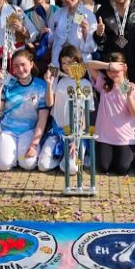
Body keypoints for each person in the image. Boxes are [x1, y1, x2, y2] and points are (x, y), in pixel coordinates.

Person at [38, 45, 95, 174]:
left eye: (70, 62)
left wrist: (76, 140)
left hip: (76, 133)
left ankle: (75, 156)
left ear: (78, 62)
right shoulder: (59, 80)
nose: (66, 67)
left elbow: (85, 116)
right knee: (42, 165)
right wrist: (48, 84)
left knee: (71, 169)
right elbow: (49, 103)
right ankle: (61, 157)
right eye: (63, 63)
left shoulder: (86, 84)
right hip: (57, 132)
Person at [0, 49, 49, 171]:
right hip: (7, 130)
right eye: (16, 66)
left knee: (28, 164)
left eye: (23, 65)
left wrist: (34, 145)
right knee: (3, 165)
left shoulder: (41, 86)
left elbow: (42, 120)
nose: (20, 69)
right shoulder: (8, 83)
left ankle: (18, 156)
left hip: (28, 131)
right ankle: (9, 155)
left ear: (31, 64)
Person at [86, 53, 135, 175]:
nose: (112, 73)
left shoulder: (131, 87)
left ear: (124, 68)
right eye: (110, 71)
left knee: (121, 169)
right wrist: (109, 65)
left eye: (116, 71)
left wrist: (128, 96)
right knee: (103, 168)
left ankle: (129, 153)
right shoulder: (104, 84)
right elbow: (89, 65)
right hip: (104, 138)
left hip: (124, 139)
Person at [49, 0, 97, 67]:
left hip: (78, 59)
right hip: (58, 58)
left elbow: (92, 46)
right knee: (57, 79)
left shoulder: (89, 15)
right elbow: (51, 33)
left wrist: (86, 33)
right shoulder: (58, 13)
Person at [24, 0, 59, 73]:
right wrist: (35, 50)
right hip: (36, 55)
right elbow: (25, 37)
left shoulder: (57, 10)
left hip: (55, 53)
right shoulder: (26, 14)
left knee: (53, 80)